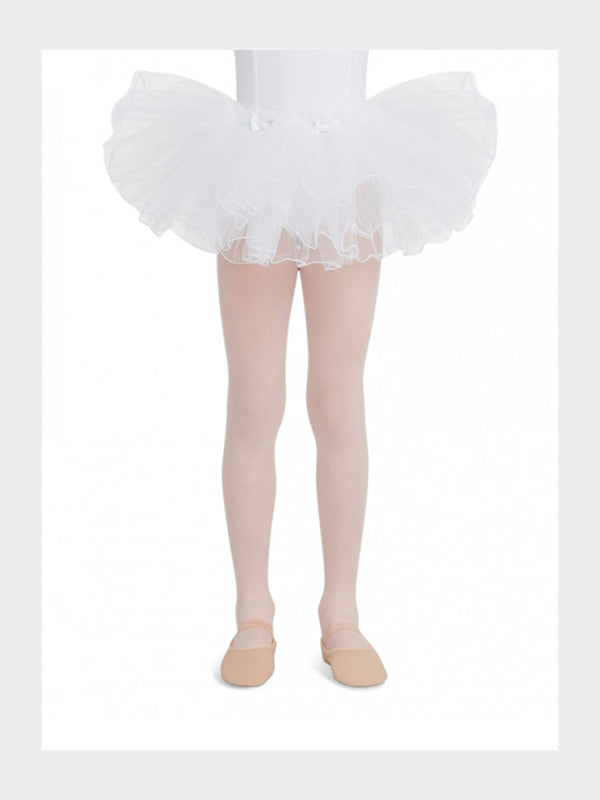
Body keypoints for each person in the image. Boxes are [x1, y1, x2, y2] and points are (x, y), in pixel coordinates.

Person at [103, 49, 498, 687]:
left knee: (338, 399)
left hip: (347, 164)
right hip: (253, 161)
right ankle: (252, 611)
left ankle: (341, 610)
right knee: (255, 399)